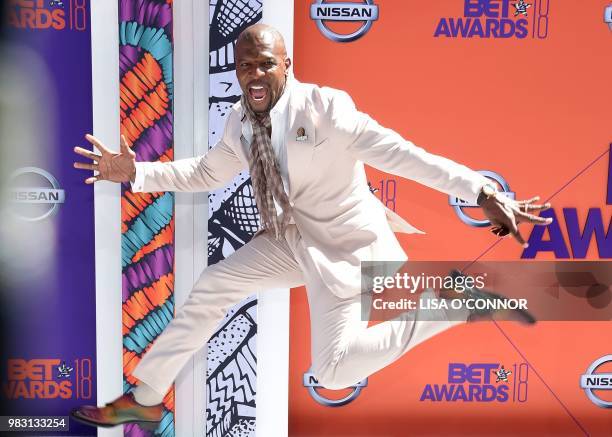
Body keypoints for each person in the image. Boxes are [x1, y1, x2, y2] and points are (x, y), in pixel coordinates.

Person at [70, 24, 551, 428]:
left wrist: (482, 192)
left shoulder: (328, 111)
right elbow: (207, 173)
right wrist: (137, 172)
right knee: (214, 284)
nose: (253, 75)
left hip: (345, 247)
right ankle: (148, 398)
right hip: (290, 237)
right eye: (244, 67)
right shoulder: (241, 119)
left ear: (287, 65)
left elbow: (405, 155)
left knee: (334, 371)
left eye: (264, 63)